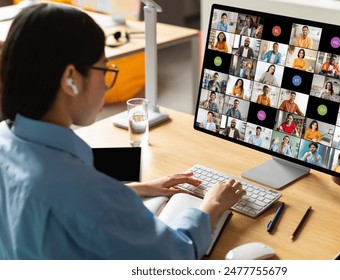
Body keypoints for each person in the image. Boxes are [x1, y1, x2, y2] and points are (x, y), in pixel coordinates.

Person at [0, 3, 245, 260]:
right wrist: (213, 204)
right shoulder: (86, 195)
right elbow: (174, 256)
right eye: (104, 69)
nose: (106, 86)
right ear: (70, 78)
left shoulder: (7, 140)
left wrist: (140, 188)